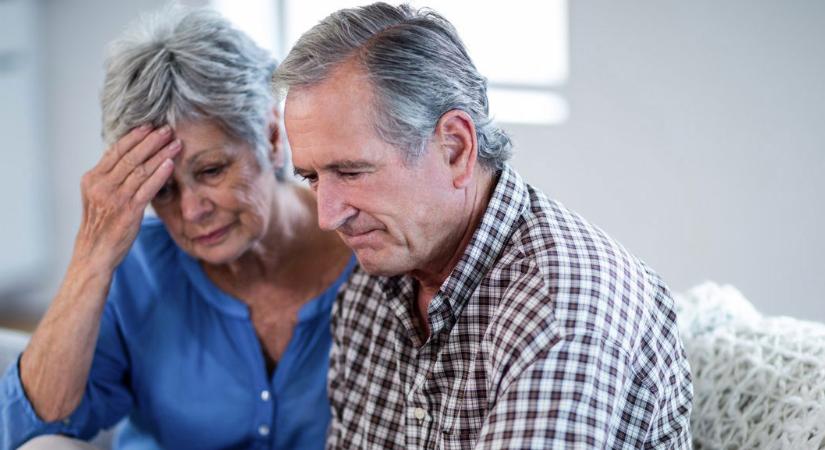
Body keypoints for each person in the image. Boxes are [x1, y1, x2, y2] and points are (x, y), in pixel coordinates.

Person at [274, 2, 693, 449]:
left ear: (455, 147)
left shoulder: (559, 304)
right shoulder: (373, 281)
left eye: (352, 172)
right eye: (313, 178)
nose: (328, 215)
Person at [0, 7, 353, 450]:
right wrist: (91, 255)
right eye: (162, 189)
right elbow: (28, 431)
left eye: (210, 171)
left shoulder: (365, 244)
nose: (191, 211)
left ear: (272, 136)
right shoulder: (135, 267)